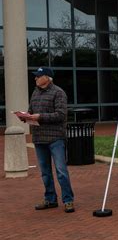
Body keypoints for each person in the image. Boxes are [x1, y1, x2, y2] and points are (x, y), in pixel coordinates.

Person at [22, 67, 75, 213]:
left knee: (61, 171)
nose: (35, 78)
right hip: (39, 138)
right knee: (45, 172)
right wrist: (26, 116)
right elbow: (32, 111)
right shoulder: (35, 92)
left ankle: (68, 200)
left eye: (38, 76)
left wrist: (40, 117)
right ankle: (50, 199)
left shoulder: (58, 93)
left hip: (55, 138)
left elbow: (61, 115)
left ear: (47, 78)